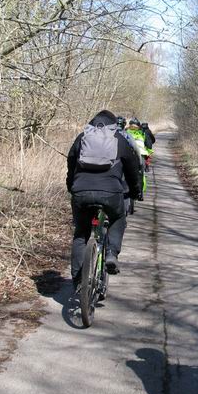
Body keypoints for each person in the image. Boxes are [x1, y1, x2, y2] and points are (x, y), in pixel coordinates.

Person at [67, 110, 141, 282]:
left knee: (81, 233)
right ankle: (111, 254)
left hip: (81, 191)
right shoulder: (119, 139)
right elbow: (132, 169)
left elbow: (71, 163)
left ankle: (78, 280)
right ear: (113, 124)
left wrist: (72, 186)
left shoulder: (82, 138)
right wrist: (135, 190)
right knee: (118, 218)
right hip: (111, 193)